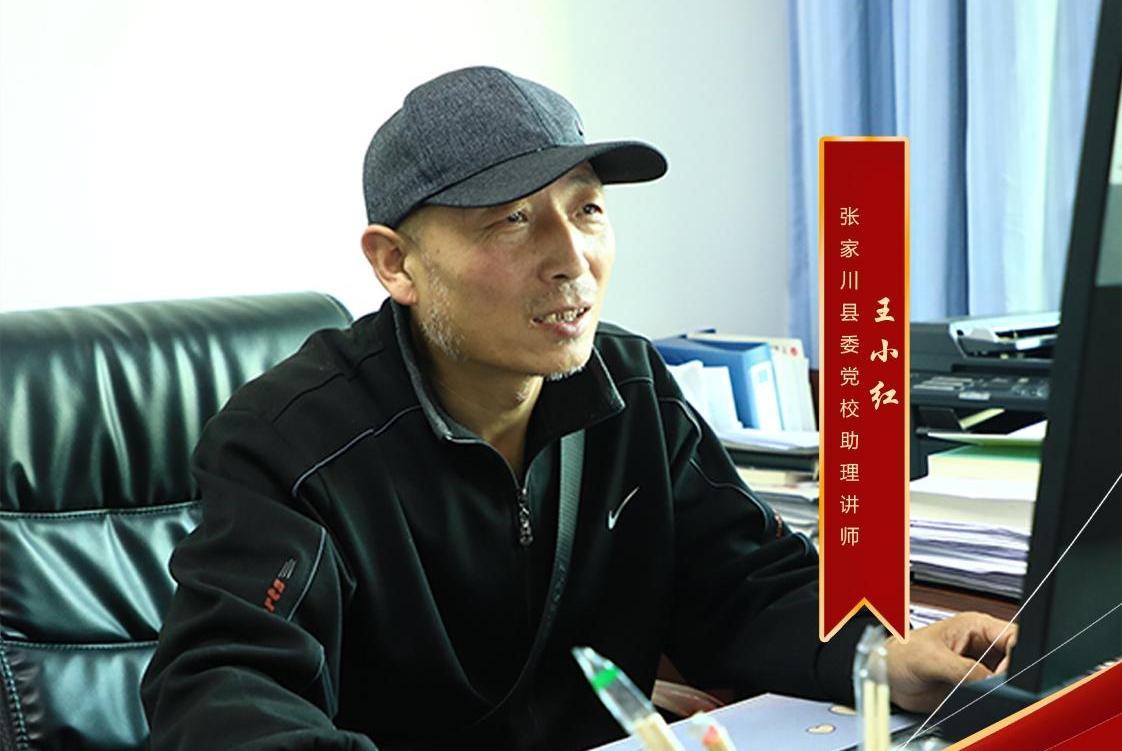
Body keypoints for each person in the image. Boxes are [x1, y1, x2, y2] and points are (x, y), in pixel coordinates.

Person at [141, 66, 1016, 750]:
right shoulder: (292, 442)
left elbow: (743, 587)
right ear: (395, 263)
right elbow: (224, 697)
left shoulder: (628, 385)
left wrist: (883, 656)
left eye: (587, 209)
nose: (572, 260)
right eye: (512, 221)